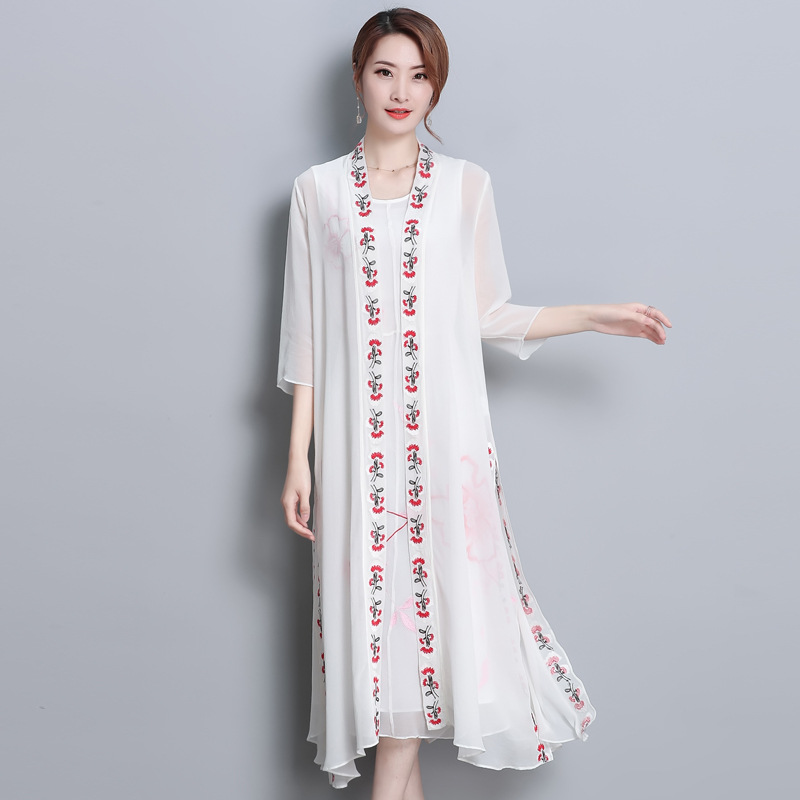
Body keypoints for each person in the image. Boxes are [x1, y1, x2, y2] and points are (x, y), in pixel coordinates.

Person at [277, 8, 671, 798]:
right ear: (359, 77)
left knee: (417, 686)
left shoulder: (465, 187)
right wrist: (298, 460)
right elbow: (307, 336)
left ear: (436, 87)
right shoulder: (318, 193)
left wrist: (592, 316)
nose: (402, 90)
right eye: (385, 71)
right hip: (356, 466)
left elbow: (489, 313)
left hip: (444, 456)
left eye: (419, 75)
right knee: (385, 685)